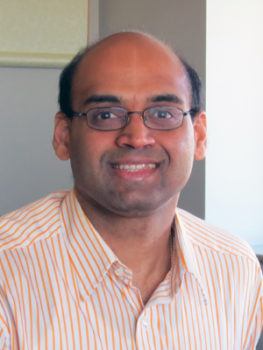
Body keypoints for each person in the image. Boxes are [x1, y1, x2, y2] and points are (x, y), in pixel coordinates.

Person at [0, 31, 262, 349]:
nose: (137, 137)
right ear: (64, 136)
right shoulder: (8, 269)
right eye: (106, 115)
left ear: (200, 134)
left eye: (163, 114)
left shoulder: (236, 269)